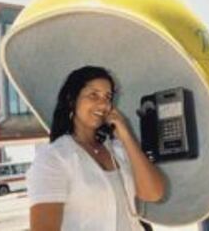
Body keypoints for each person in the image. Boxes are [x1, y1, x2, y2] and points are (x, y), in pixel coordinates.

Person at [27, 66, 165, 231]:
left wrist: (125, 133)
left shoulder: (117, 150)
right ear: (72, 100)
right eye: (94, 95)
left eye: (108, 97)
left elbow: (153, 193)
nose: (103, 104)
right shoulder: (55, 157)